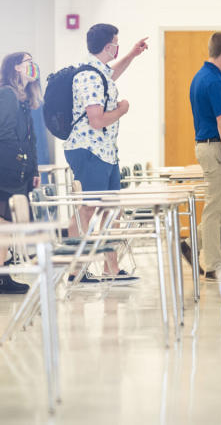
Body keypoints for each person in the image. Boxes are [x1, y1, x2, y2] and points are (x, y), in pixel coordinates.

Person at [63, 23, 148, 282]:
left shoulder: (98, 72)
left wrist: (132, 54)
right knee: (87, 210)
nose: (117, 47)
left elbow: (111, 74)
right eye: (116, 43)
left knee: (111, 210)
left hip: (105, 152)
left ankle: (112, 269)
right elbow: (96, 120)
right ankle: (75, 270)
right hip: (90, 151)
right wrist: (122, 110)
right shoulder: (88, 76)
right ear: (108, 45)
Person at [0, 52, 42, 294]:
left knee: (5, 224)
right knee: (1, 224)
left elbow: (29, 139)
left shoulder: (22, 100)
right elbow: (4, 134)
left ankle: (1, 276)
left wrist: (32, 168)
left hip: (16, 171)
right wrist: (22, 161)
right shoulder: (6, 95)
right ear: (15, 67)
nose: (32, 66)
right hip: (3, 171)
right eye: (27, 62)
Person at [181, 31, 221, 281]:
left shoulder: (203, 76)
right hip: (215, 148)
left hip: (213, 147)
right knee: (213, 208)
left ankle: (191, 243)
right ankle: (214, 266)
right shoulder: (213, 81)